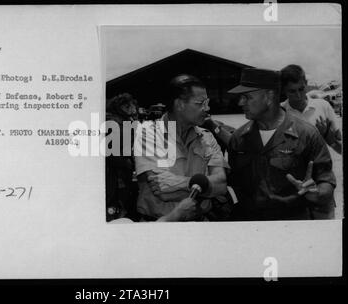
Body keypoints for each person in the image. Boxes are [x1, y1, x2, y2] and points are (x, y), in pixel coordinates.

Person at [227, 68, 336, 220]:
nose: (240, 102)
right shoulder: (238, 138)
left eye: (247, 97)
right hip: (251, 227)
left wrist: (316, 194)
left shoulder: (306, 134)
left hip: (291, 226)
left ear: (269, 96)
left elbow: (326, 181)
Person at [133, 74, 229, 221]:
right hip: (161, 226)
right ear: (179, 105)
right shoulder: (148, 134)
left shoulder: (206, 137)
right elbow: (161, 189)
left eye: (207, 102)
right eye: (200, 103)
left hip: (199, 224)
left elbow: (221, 185)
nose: (207, 108)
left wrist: (181, 186)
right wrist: (206, 188)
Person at [280, 64, 342, 154]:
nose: (298, 95)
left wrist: (328, 138)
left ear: (306, 83)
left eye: (301, 89)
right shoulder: (279, 112)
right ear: (283, 90)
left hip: (322, 166)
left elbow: (340, 149)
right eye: (292, 91)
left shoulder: (324, 107)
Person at [105, 93, 139, 221]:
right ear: (123, 106)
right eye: (130, 105)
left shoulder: (120, 120)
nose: (133, 109)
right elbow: (113, 154)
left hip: (119, 171)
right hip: (116, 174)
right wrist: (130, 164)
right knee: (118, 203)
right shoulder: (115, 122)